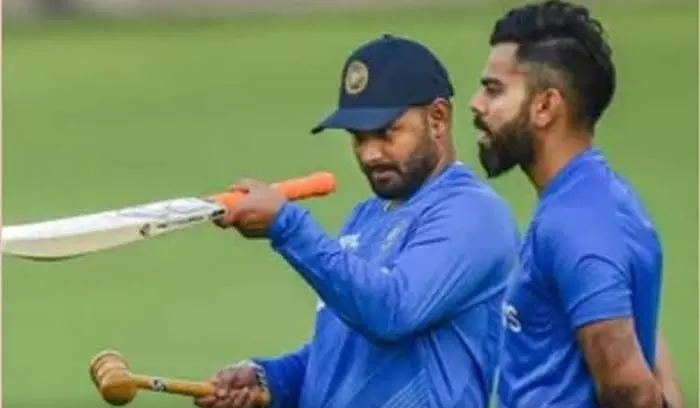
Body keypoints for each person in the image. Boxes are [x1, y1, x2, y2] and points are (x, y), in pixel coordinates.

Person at [194, 34, 520, 408]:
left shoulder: (472, 214)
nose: (369, 154)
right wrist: (271, 380)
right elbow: (341, 353)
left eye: (385, 133)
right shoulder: (365, 216)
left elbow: (392, 312)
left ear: (437, 119)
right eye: (358, 138)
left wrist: (287, 225)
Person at [468, 1, 684, 407]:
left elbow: (629, 389)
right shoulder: (600, 198)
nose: (477, 104)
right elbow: (644, 340)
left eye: (494, 89)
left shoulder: (575, 224)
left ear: (545, 106)